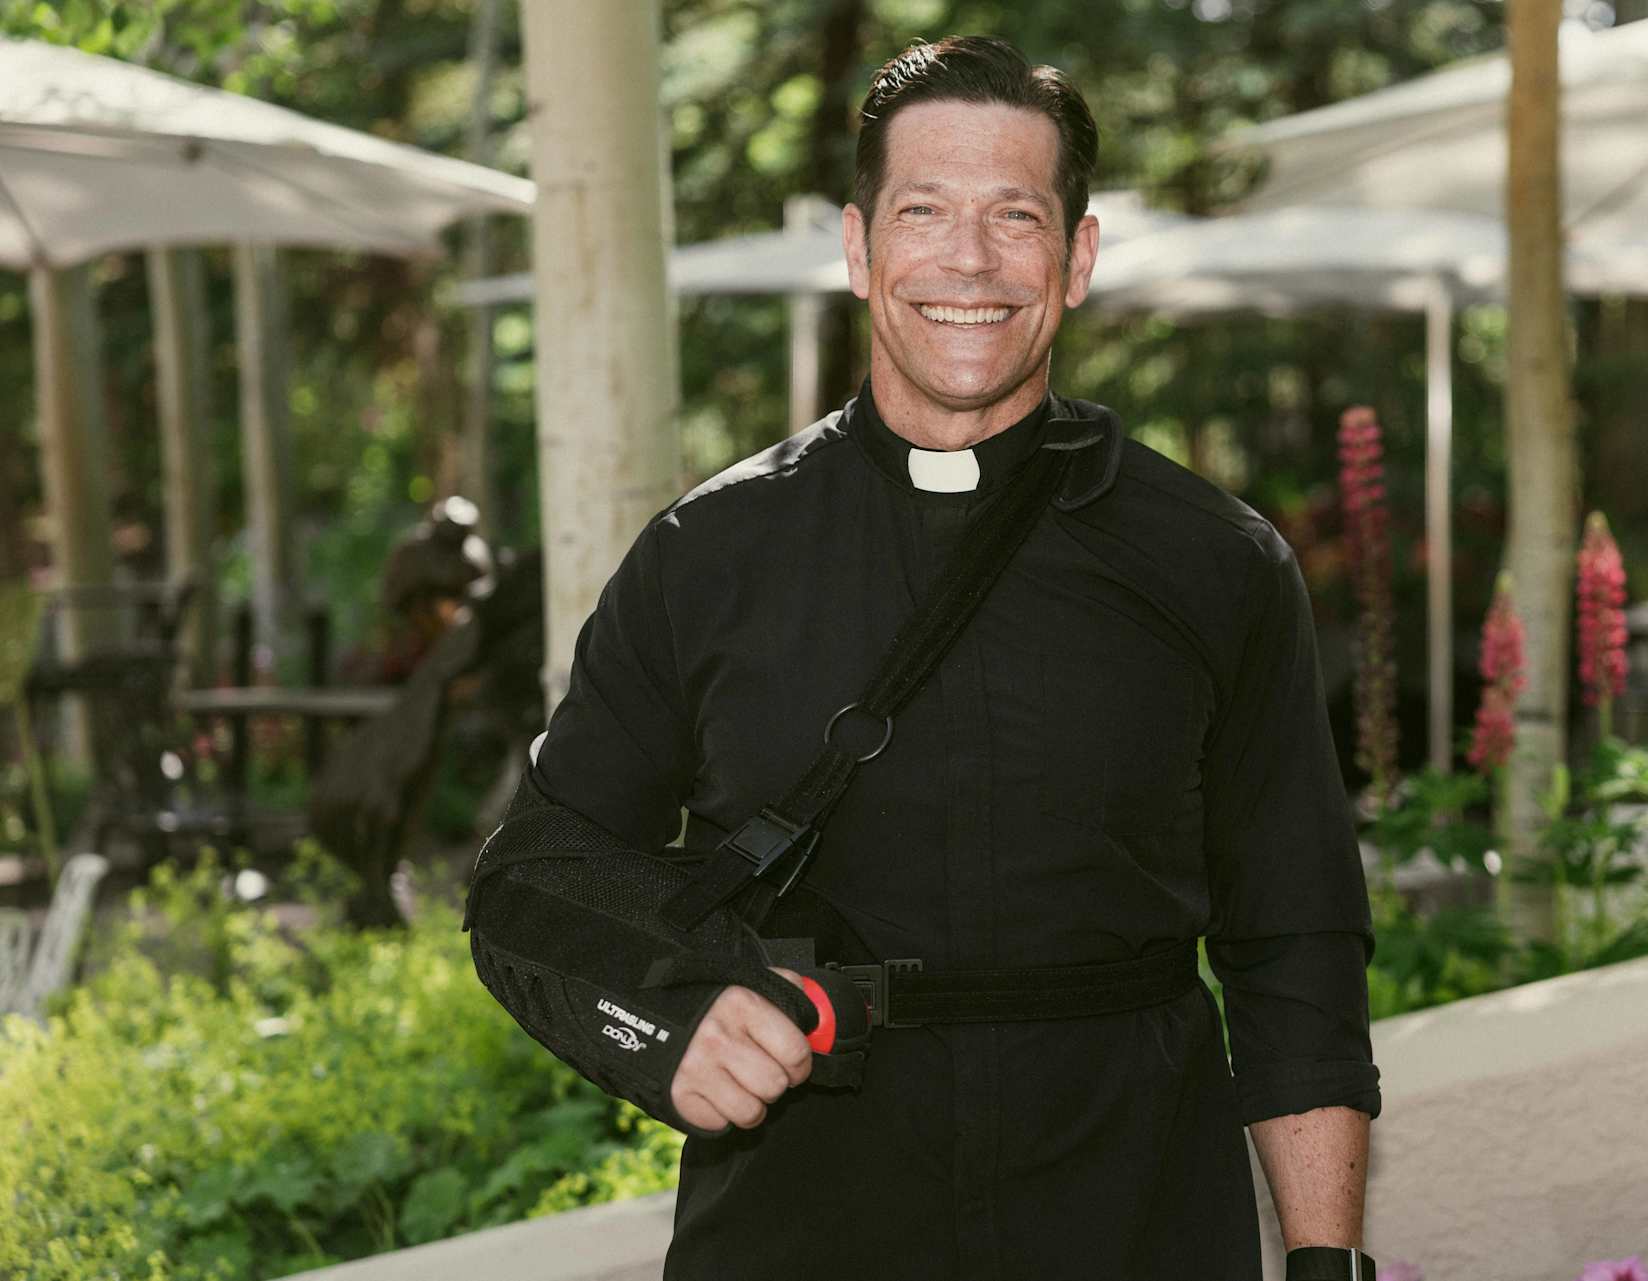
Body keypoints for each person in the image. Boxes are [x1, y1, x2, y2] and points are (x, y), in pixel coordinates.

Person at [504, 35, 1380, 1281]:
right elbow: (533, 878)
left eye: (1015, 217)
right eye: (924, 212)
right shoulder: (709, 557)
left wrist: (1325, 1263)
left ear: (1078, 259)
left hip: (1132, 1216)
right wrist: (666, 1013)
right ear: (859, 248)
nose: (969, 260)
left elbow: (1298, 941)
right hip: (800, 1227)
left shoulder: (1216, 562)